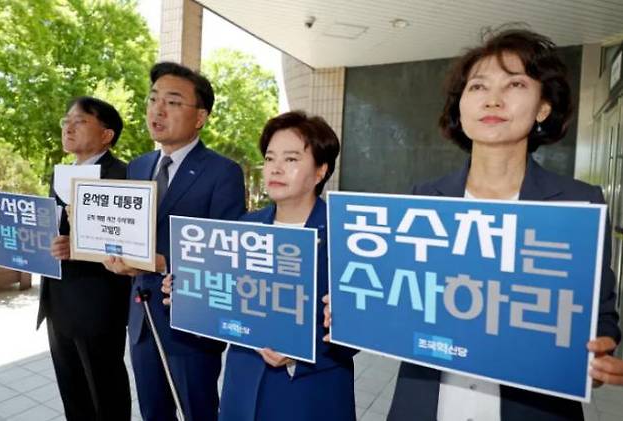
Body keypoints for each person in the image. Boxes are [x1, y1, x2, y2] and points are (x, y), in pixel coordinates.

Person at [378, 29, 621, 421]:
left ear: (542, 107)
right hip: (428, 405)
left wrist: (599, 347)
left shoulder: (580, 204)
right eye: (478, 86)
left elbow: (599, 310)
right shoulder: (423, 200)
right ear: (460, 108)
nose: (493, 98)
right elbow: (397, 296)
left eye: (515, 84)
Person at [162, 110, 357, 420]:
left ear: (321, 170)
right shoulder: (242, 228)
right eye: (269, 158)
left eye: (291, 159)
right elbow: (225, 308)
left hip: (310, 395)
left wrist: (302, 354)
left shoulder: (345, 236)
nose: (276, 168)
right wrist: (191, 296)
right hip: (243, 388)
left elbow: (360, 332)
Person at [103, 62, 246, 421]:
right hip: (141, 318)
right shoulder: (137, 167)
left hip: (190, 325)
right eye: (153, 99)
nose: (157, 109)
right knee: (153, 412)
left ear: (200, 117)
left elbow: (226, 254)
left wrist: (162, 262)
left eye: (172, 101)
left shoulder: (223, 172)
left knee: (197, 411)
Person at [0, 96, 132, 420]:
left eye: (79, 121)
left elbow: (127, 243)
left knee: (105, 392)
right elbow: (47, 231)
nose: (68, 127)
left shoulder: (123, 176)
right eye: (66, 121)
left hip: (97, 305)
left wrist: (81, 248)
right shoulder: (60, 174)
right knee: (72, 392)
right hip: (56, 302)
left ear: (107, 135)